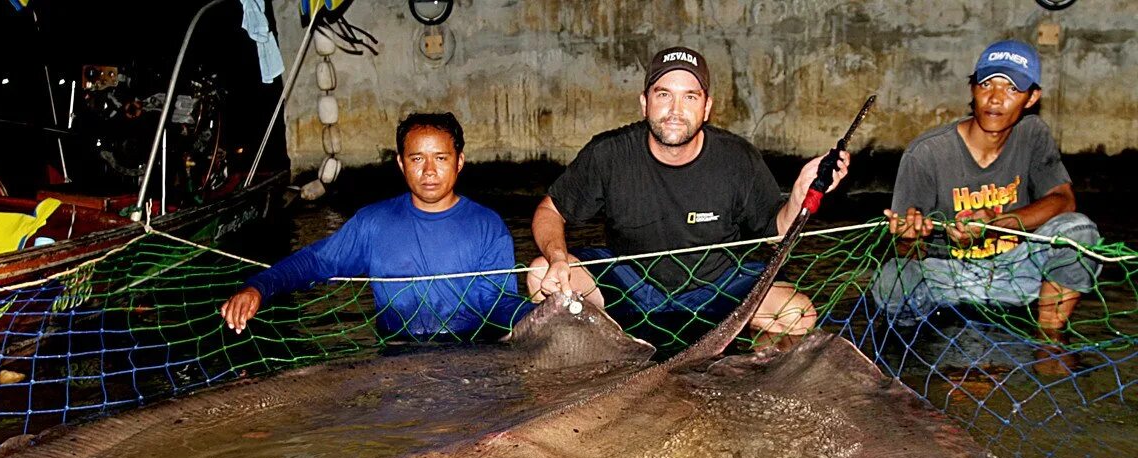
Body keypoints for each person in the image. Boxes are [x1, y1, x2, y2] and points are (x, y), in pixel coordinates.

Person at [527, 46, 849, 339]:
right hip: (630, 286)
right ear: (644, 103)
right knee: (541, 275)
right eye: (664, 94)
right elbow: (550, 211)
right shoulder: (609, 154)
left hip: (715, 288)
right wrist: (557, 258)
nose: (675, 110)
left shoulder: (737, 158)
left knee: (797, 315)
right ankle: (606, 351)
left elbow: (776, 232)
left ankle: (746, 375)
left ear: (707, 107)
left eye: (690, 97)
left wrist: (797, 197)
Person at [221, 112, 530, 340]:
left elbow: (498, 302)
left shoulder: (487, 226)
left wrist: (538, 316)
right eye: (417, 159)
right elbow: (316, 261)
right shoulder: (373, 222)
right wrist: (259, 287)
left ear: (459, 162)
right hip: (396, 356)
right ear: (400, 163)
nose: (429, 171)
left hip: (470, 353)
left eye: (441, 158)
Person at [873, 39, 1100, 337]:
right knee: (892, 280)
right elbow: (907, 253)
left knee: (1078, 232)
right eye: (987, 85)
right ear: (973, 89)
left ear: (1031, 98)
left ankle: (1050, 340)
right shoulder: (926, 153)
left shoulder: (1032, 134)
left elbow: (1063, 200)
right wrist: (908, 240)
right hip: (948, 277)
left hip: (1015, 271)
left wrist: (994, 226)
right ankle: (916, 349)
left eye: (1012, 89)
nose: (995, 99)